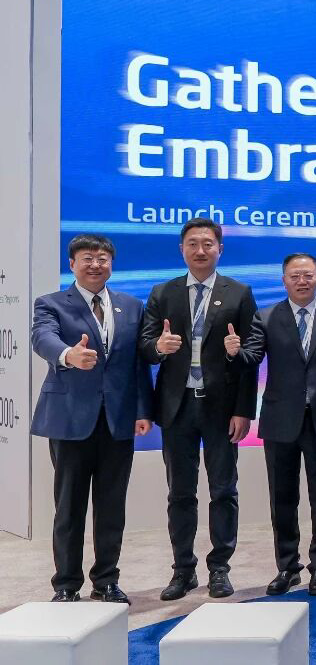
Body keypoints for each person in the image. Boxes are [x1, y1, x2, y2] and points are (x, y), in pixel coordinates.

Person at [30, 234, 153, 603]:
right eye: (87, 258)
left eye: (102, 258)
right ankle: (67, 584)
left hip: (118, 420)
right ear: (73, 264)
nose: (96, 264)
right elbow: (42, 338)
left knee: (112, 506)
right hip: (70, 419)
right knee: (69, 506)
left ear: (111, 264)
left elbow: (137, 363)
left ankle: (106, 581)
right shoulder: (51, 303)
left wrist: (143, 410)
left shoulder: (131, 305)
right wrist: (69, 355)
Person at [140, 217, 258, 601]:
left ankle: (219, 569)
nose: (200, 250)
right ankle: (183, 570)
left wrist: (244, 410)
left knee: (224, 490)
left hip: (222, 409)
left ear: (220, 249)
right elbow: (144, 347)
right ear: (182, 249)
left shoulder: (239, 293)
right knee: (180, 493)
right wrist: (159, 348)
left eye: (208, 243)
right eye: (193, 243)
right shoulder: (163, 292)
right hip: (177, 407)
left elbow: (251, 357)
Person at [232, 253, 316, 597]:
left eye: (308, 275)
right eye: (295, 276)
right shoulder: (267, 316)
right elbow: (252, 358)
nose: (302, 281)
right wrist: (234, 351)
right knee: (282, 499)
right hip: (280, 420)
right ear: (284, 280)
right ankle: (287, 567)